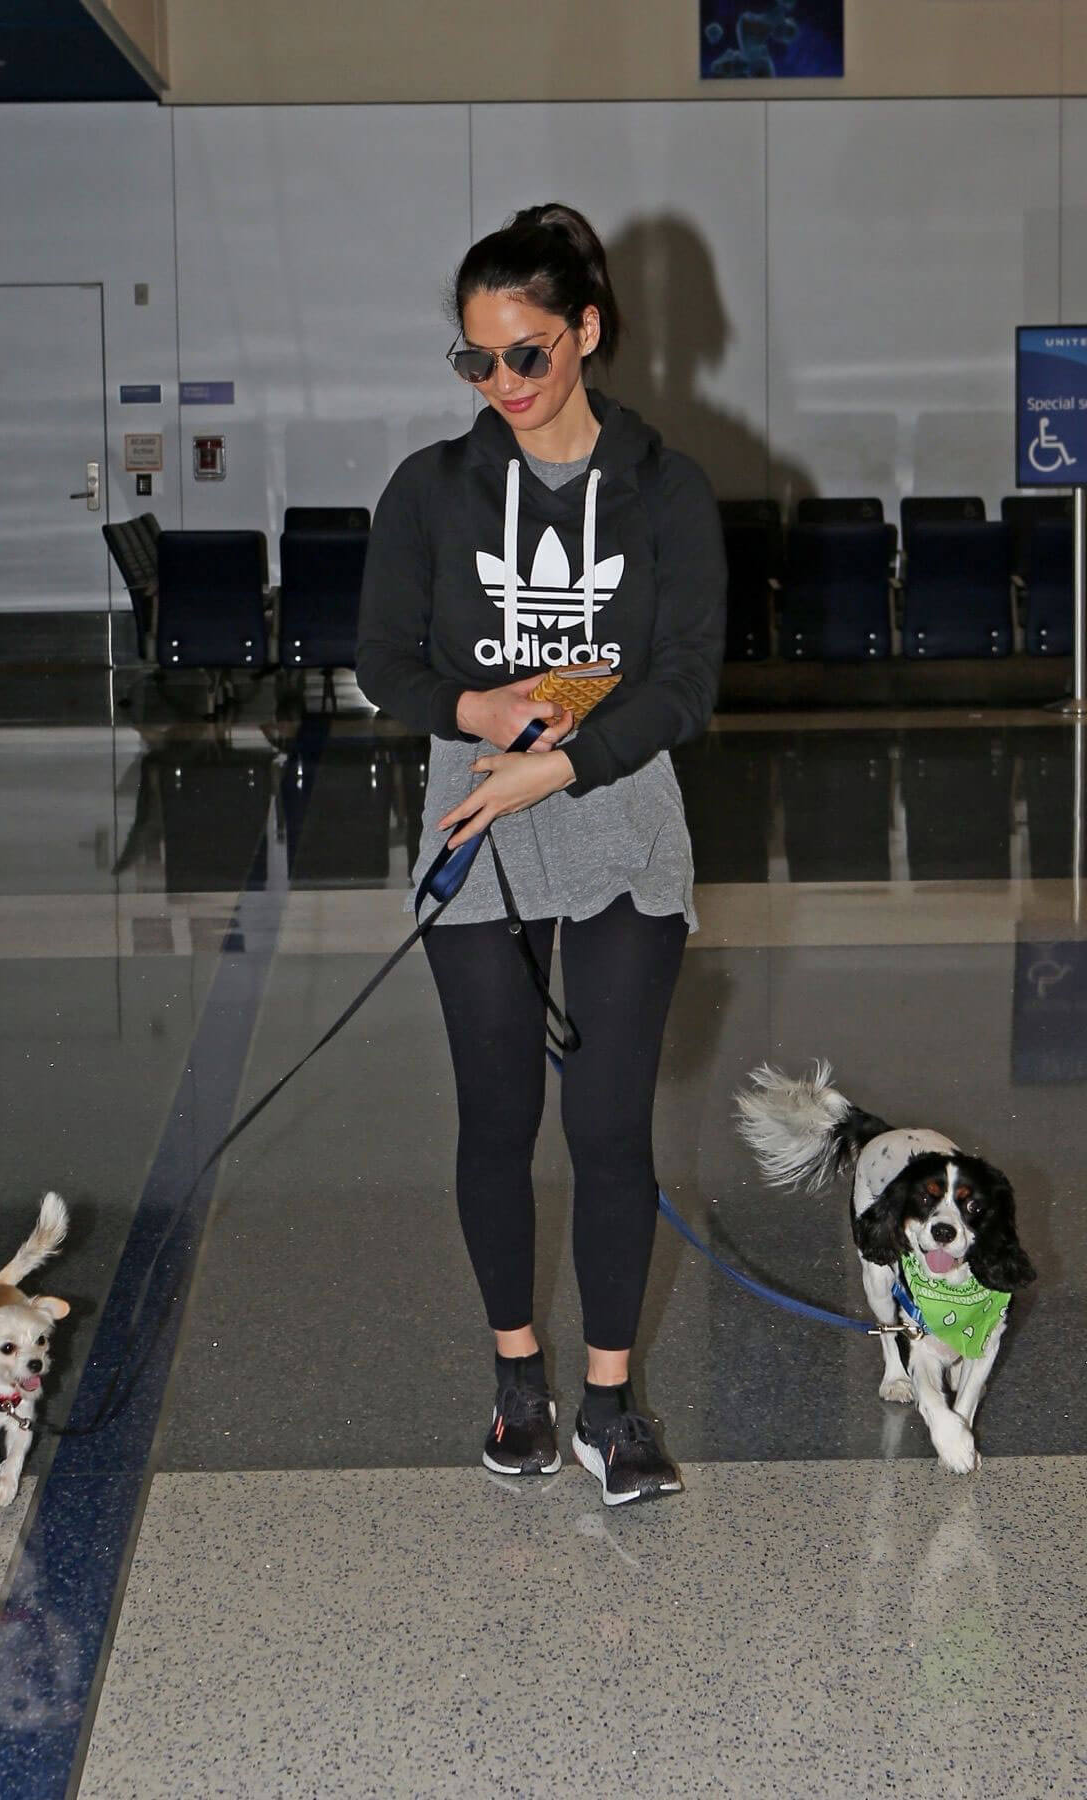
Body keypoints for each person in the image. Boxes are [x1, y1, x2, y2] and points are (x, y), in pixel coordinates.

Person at [357, 203, 726, 1506]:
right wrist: (478, 716)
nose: (501, 384)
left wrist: (557, 758)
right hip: (480, 828)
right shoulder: (431, 490)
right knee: (498, 1116)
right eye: (477, 360)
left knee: (611, 1124)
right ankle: (521, 1380)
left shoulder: (666, 488)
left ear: (587, 333)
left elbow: (684, 684)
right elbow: (383, 660)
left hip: (621, 818)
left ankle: (613, 1407)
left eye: (526, 354)